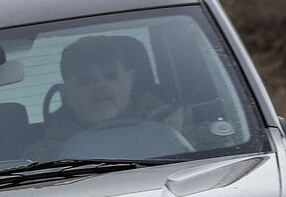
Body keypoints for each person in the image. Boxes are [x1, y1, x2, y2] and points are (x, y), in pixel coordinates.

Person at [27, 35, 193, 159]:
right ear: (66, 92)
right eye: (83, 77)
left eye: (109, 72)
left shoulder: (185, 126)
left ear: (130, 79)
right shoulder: (45, 159)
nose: (99, 84)